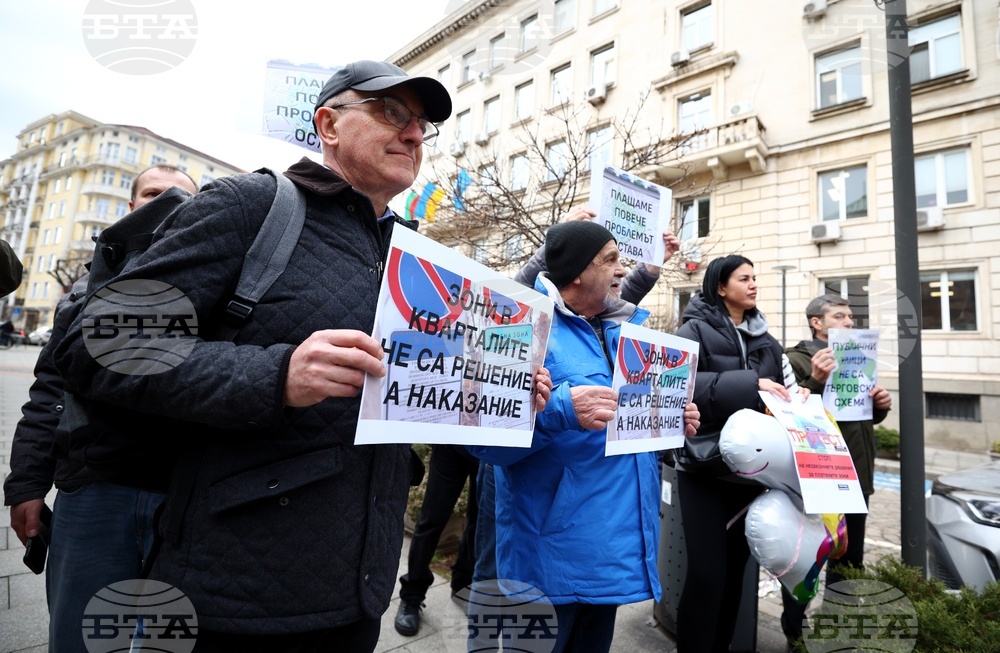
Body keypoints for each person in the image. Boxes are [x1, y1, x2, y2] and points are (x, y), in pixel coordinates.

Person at [54, 60, 544, 653]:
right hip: (235, 593)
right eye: (392, 113)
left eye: (421, 126)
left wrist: (507, 390)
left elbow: (421, 392)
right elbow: (95, 345)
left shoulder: (417, 258)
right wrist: (276, 374)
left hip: (360, 591)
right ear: (328, 124)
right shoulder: (250, 205)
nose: (414, 134)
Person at [470, 221, 700, 653]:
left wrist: (671, 420)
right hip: (551, 556)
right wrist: (559, 410)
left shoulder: (626, 332)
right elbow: (484, 442)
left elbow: (625, 433)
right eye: (611, 259)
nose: (621, 269)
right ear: (576, 272)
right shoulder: (518, 324)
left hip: (611, 551)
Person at [4, 164, 198, 653]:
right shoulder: (82, 291)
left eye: (183, 198)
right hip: (93, 494)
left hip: (182, 499)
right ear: (131, 208)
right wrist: (27, 483)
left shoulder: (213, 285)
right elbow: (49, 390)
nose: (167, 204)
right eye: (154, 194)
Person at [672, 254, 805, 653]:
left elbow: (785, 387)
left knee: (735, 578)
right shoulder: (692, 329)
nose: (753, 284)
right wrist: (752, 384)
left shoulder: (767, 340)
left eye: (754, 278)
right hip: (704, 469)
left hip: (752, 477)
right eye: (743, 278)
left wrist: (796, 397)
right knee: (707, 576)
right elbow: (683, 385)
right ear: (720, 287)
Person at [780, 294, 892, 651]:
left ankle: (836, 636)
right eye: (840, 316)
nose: (849, 323)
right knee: (808, 562)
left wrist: (878, 408)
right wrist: (815, 379)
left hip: (856, 477)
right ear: (817, 322)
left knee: (849, 564)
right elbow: (792, 412)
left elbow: (855, 417)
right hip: (818, 478)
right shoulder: (794, 359)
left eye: (851, 318)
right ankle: (794, 635)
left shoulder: (859, 360)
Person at [393, 444, 480, 636]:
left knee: (478, 523)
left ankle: (463, 585)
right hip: (453, 440)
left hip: (492, 445)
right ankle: (411, 596)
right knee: (432, 519)